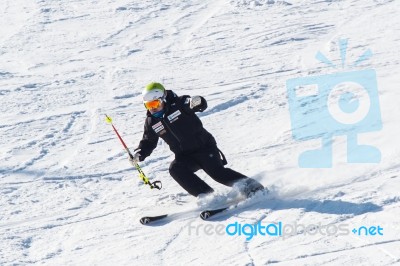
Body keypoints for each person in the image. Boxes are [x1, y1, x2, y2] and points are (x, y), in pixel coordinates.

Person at [130, 82, 264, 197]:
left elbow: (194, 104)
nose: (153, 108)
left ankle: (254, 188)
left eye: (155, 103)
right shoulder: (152, 122)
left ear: (163, 99)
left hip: (204, 148)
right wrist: (139, 153)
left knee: (217, 174)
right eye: (148, 105)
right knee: (176, 169)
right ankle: (207, 195)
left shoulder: (179, 104)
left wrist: (197, 102)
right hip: (184, 156)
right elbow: (148, 141)